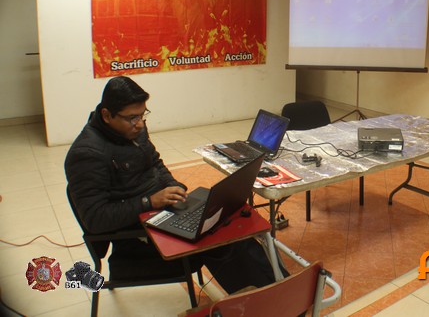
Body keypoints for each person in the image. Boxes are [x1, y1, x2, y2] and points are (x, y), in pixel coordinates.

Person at [65, 76, 281, 292]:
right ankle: (265, 298)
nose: (139, 124)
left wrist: (174, 186)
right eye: (132, 118)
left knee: (230, 223)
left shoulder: (134, 130)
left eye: (142, 115)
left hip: (162, 215)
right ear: (106, 115)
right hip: (137, 238)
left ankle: (277, 289)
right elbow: (95, 219)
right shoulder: (86, 154)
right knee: (221, 243)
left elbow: (155, 163)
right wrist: (149, 201)